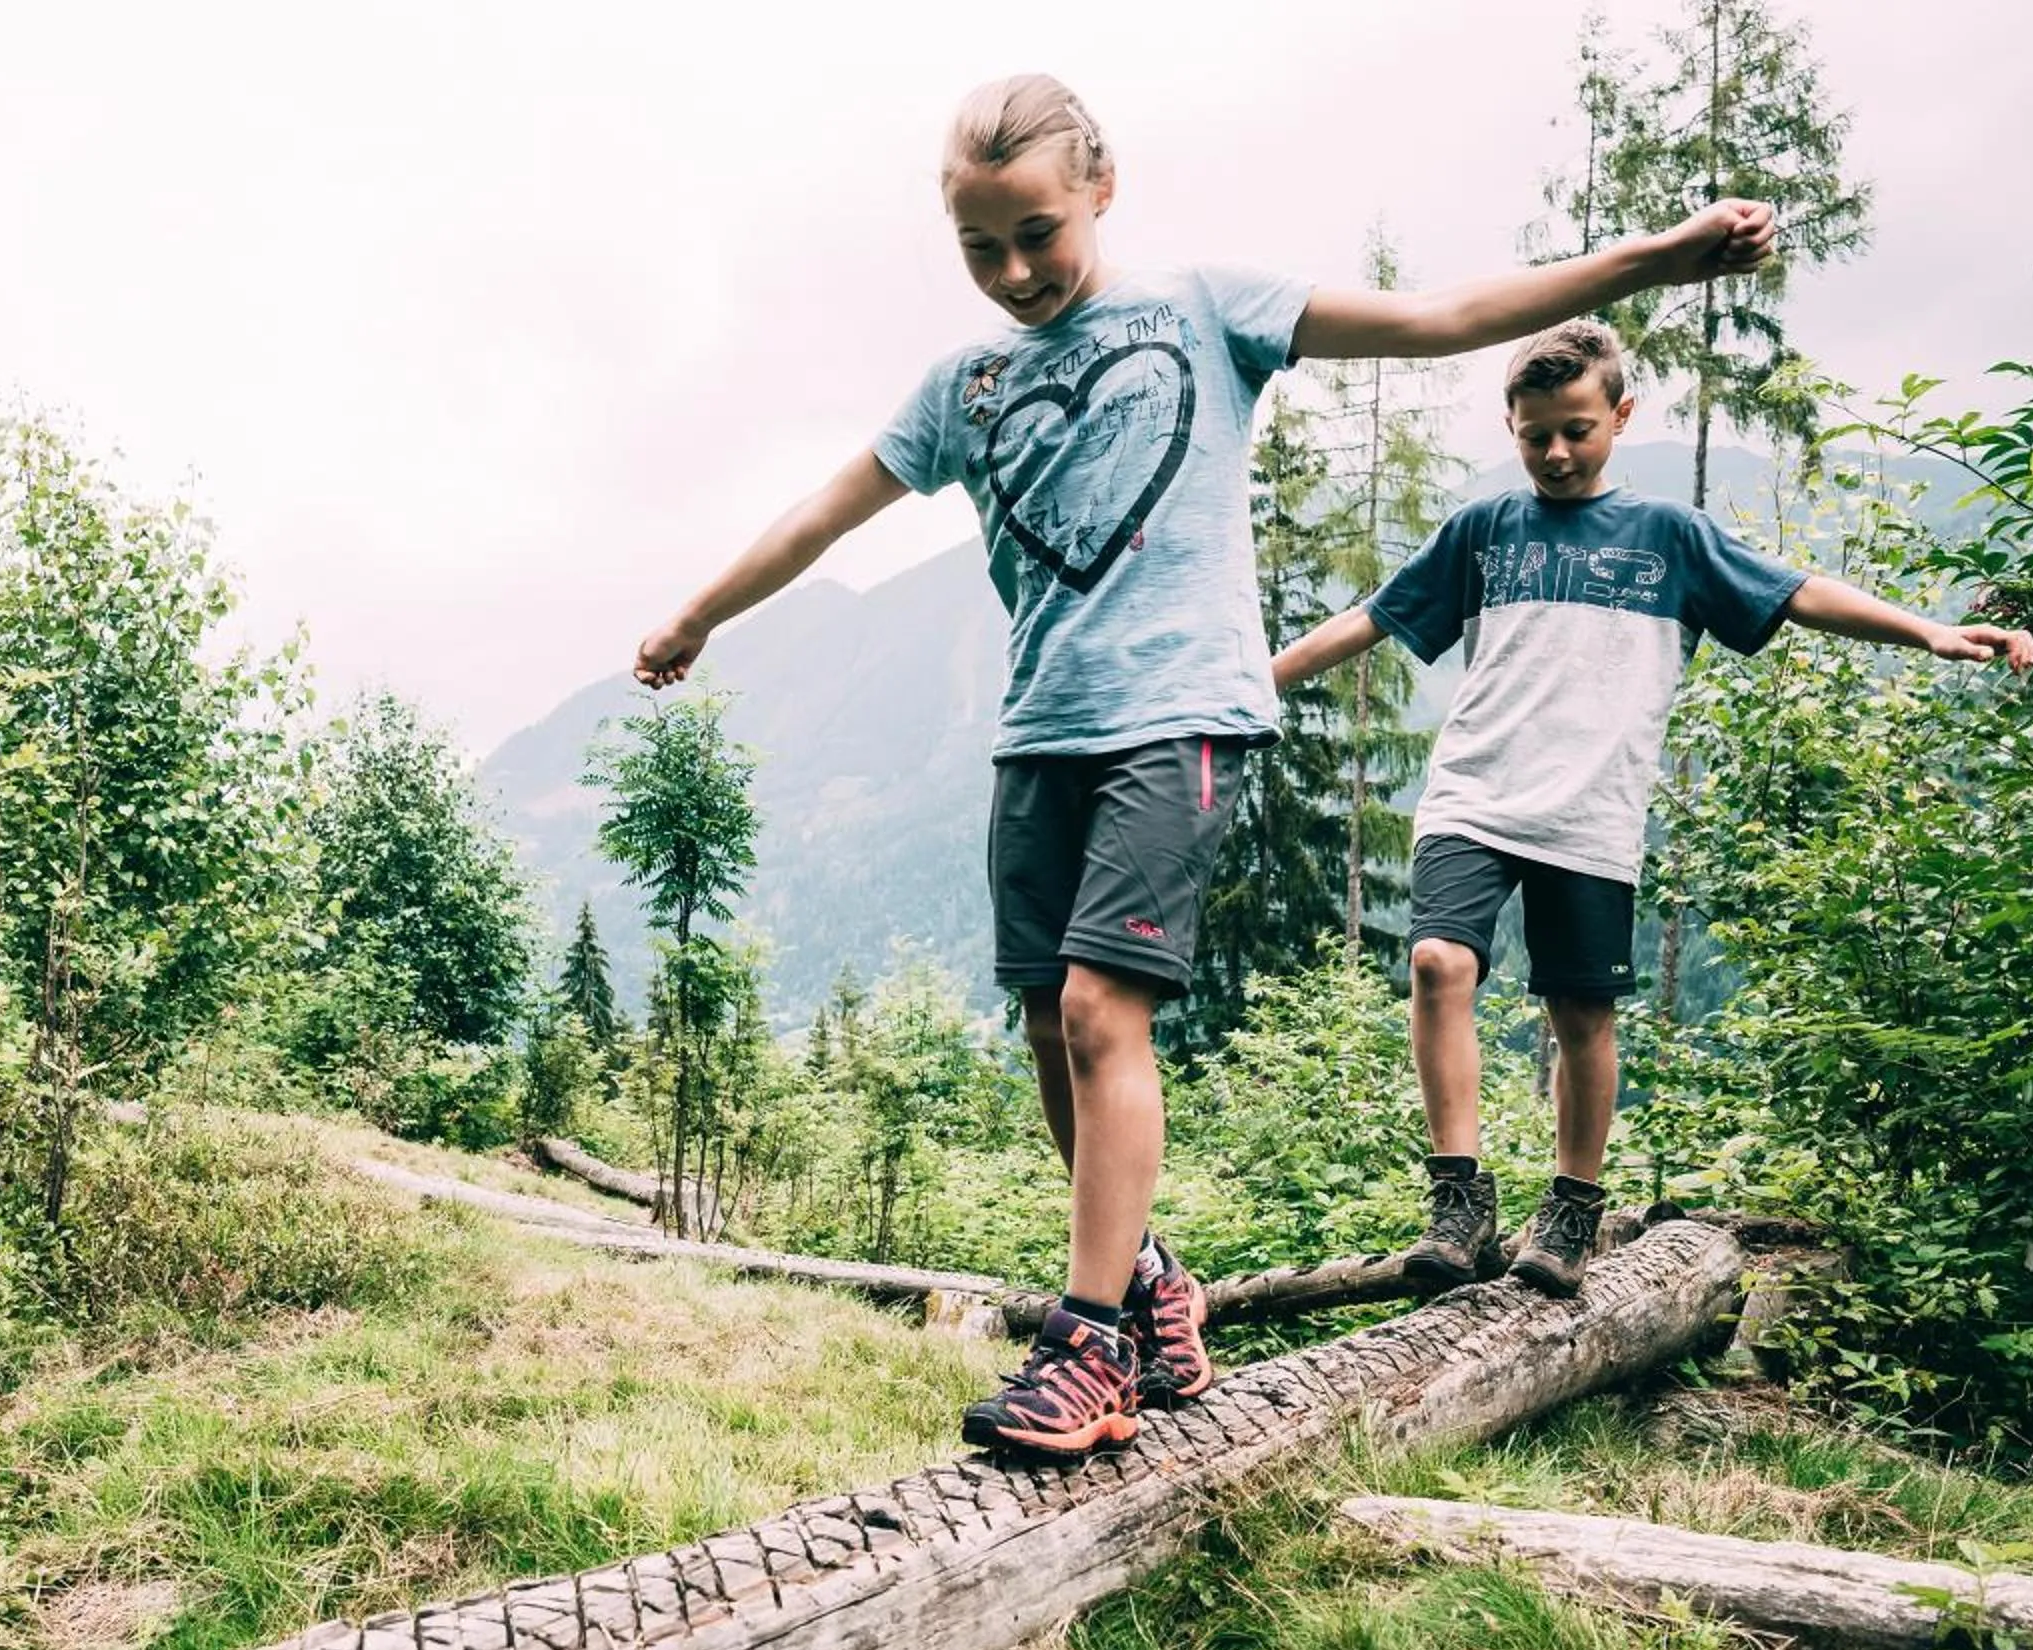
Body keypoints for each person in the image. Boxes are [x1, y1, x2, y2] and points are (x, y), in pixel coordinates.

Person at [633, 75, 1778, 1457]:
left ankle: (1090, 1347)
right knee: (1056, 1033)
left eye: (1037, 234)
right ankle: (1154, 1286)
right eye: (980, 250)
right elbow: (830, 507)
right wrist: (699, 613)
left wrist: (1657, 255)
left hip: (1176, 718)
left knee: (1107, 1012)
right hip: (1040, 731)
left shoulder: (1204, 309)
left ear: (1101, 190)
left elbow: (1440, 322)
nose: (1012, 273)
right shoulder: (968, 384)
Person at [1269, 318, 2033, 1298]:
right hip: (1475, 790)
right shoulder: (1484, 530)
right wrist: (1262, 677)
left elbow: (1796, 592)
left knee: (1580, 1011)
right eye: (1534, 432)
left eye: (1577, 430)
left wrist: (1928, 633)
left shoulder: (1669, 536)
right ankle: (1459, 1199)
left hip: (1591, 811)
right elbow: (1375, 617)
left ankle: (1572, 1207)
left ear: (1620, 416)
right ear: (1511, 425)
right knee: (1436, 961)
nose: (1555, 451)